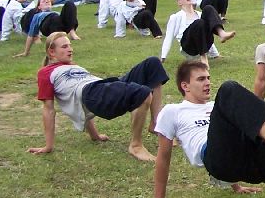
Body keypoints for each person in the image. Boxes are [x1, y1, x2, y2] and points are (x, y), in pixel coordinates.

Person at [138, 59, 265, 198]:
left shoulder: (219, 105)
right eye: (201, 79)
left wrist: (236, 186)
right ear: (185, 86)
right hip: (216, 159)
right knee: (228, 89)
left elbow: (232, 136)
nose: (208, 82)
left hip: (247, 161)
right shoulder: (173, 111)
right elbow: (163, 156)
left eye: (208, 78)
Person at [32, 31, 167, 160]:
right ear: (51, 52)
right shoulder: (46, 73)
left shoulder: (73, 66)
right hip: (92, 91)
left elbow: (84, 106)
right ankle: (136, 146)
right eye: (64, 47)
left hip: (101, 85)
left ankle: (156, 124)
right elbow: (49, 109)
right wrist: (48, 146)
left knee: (153, 63)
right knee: (143, 93)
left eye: (70, 45)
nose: (70, 49)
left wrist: (95, 136)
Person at [160, 0, 235, 62]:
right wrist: (163, 57)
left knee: (208, 8)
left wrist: (215, 54)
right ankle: (203, 57)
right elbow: (169, 37)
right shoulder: (175, 17)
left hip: (205, 44)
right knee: (199, 22)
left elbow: (204, 34)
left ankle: (222, 33)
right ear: (179, 2)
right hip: (189, 47)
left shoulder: (200, 14)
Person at [15, 0, 81, 57]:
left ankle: (71, 34)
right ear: (39, 7)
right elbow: (31, 35)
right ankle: (58, 45)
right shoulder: (37, 16)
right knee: (54, 18)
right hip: (47, 25)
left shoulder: (56, 13)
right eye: (43, 1)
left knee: (70, 4)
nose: (46, 2)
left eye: (48, 1)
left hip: (61, 25)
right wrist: (26, 52)